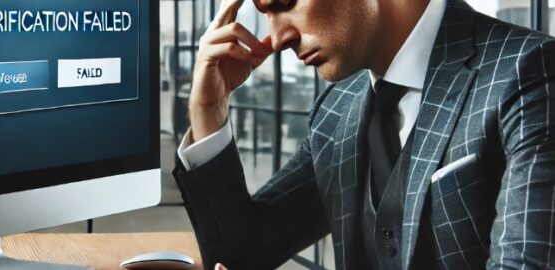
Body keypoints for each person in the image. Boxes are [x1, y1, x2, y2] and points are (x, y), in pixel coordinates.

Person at [172, 0, 555, 268]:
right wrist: (208, 111)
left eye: (285, 2)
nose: (277, 38)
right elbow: (242, 257)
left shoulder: (530, 71)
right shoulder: (335, 110)